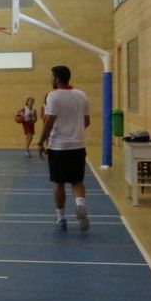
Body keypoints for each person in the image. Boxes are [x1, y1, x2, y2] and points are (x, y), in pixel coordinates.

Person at [39, 64, 92, 231]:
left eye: (52, 77)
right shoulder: (81, 95)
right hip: (78, 145)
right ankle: (80, 203)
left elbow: (49, 122)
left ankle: (61, 219)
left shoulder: (53, 96)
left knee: (59, 183)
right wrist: (74, 129)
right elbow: (87, 121)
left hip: (58, 147)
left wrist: (41, 141)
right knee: (77, 181)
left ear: (56, 78)